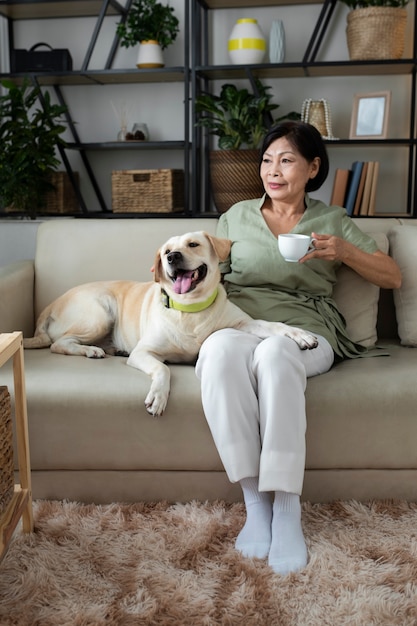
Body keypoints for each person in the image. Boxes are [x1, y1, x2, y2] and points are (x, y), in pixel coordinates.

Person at [195, 120, 401, 576]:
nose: (274, 170)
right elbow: (210, 277)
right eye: (268, 160)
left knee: (275, 354)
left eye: (286, 160)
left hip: (307, 331)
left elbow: (392, 276)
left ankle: (287, 506)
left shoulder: (332, 221)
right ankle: (256, 502)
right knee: (218, 352)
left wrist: (343, 251)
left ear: (312, 168)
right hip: (243, 323)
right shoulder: (235, 217)